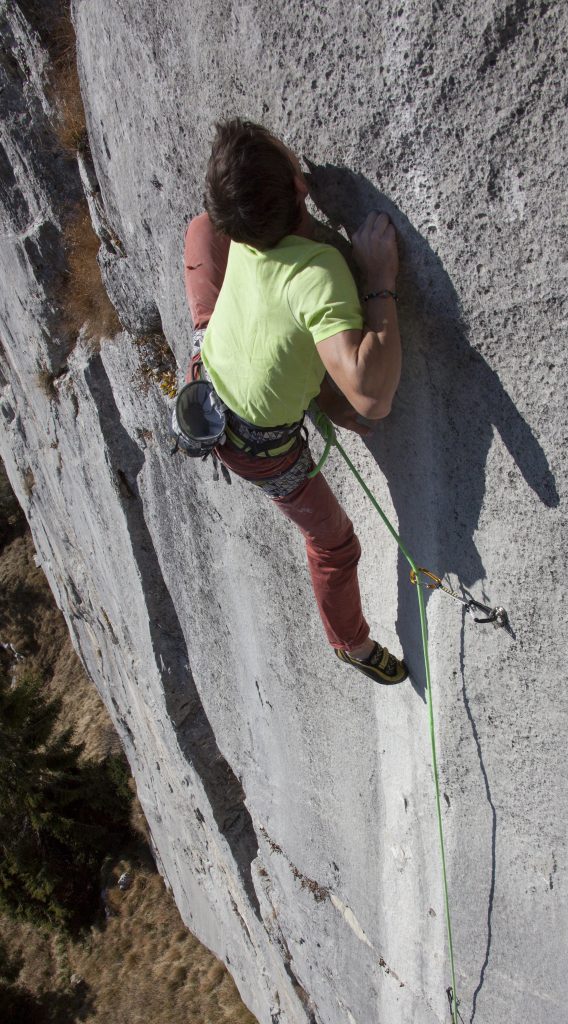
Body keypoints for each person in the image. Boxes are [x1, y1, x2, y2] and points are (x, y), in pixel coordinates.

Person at [183, 118, 406, 684]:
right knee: (334, 544)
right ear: (299, 186)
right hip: (262, 451)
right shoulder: (317, 272)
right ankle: (351, 644)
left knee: (198, 235)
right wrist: (378, 281)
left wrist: (320, 396)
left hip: (204, 375)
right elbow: (371, 394)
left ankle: (278, 377)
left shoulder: (234, 232)